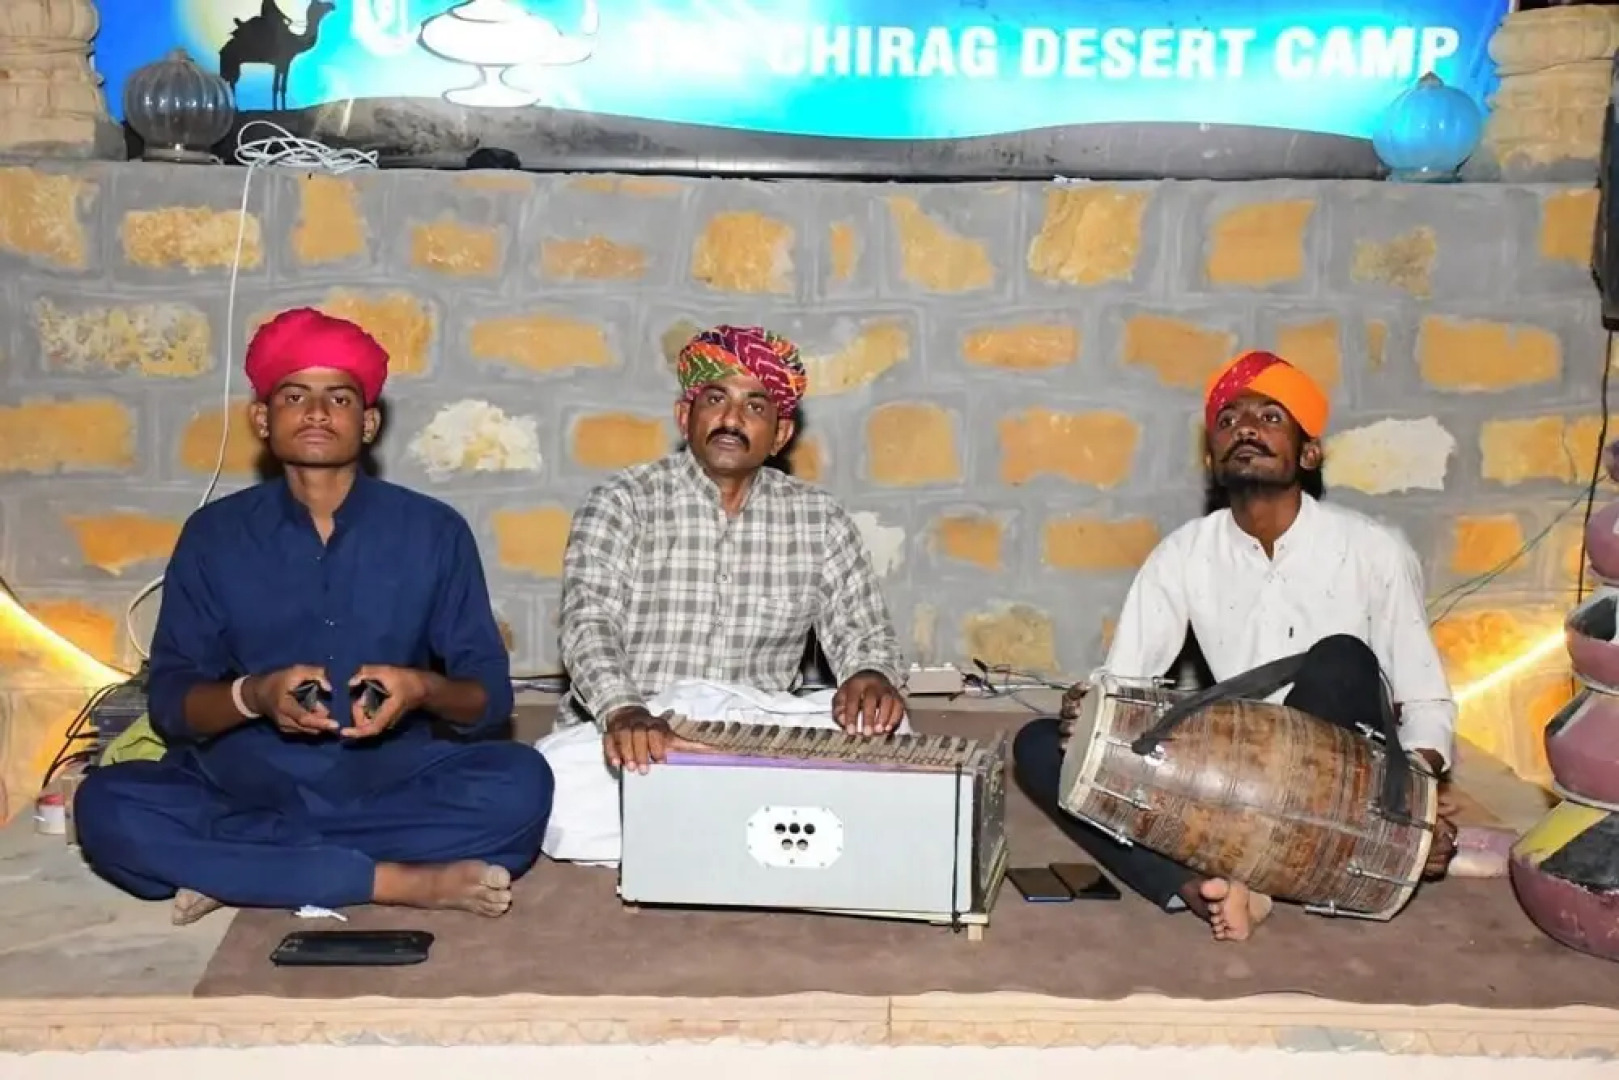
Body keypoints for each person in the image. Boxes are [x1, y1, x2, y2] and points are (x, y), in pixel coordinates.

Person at [74, 308, 553, 923]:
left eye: (340, 398)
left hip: (393, 779)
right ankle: (394, 882)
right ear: (262, 419)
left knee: (522, 784)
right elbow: (171, 703)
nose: (319, 413)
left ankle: (248, 870)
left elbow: (486, 699)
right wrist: (254, 696)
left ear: (370, 421)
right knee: (107, 808)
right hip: (245, 778)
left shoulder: (434, 531)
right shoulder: (214, 535)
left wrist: (421, 689)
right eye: (295, 395)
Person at [1013, 349, 1460, 943]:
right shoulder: (1183, 554)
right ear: (1211, 457)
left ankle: (1249, 870)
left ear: (1309, 453)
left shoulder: (1374, 551)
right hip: (1225, 781)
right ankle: (1193, 885)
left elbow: (1426, 705)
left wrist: (1418, 806)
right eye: (1229, 421)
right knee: (1041, 747)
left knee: (1342, 657)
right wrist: (1086, 707)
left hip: (1335, 791)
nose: (1245, 428)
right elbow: (1124, 685)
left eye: (1271, 417)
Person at [539, 324, 908, 864]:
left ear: (780, 435)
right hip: (647, 730)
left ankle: (706, 825)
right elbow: (588, 624)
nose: (732, 420)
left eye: (755, 407)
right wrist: (624, 711)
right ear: (684, 416)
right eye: (716, 399)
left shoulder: (819, 518)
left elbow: (861, 629)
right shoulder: (622, 502)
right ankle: (748, 826)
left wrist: (869, 675)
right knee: (547, 785)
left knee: (895, 735)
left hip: (756, 734)